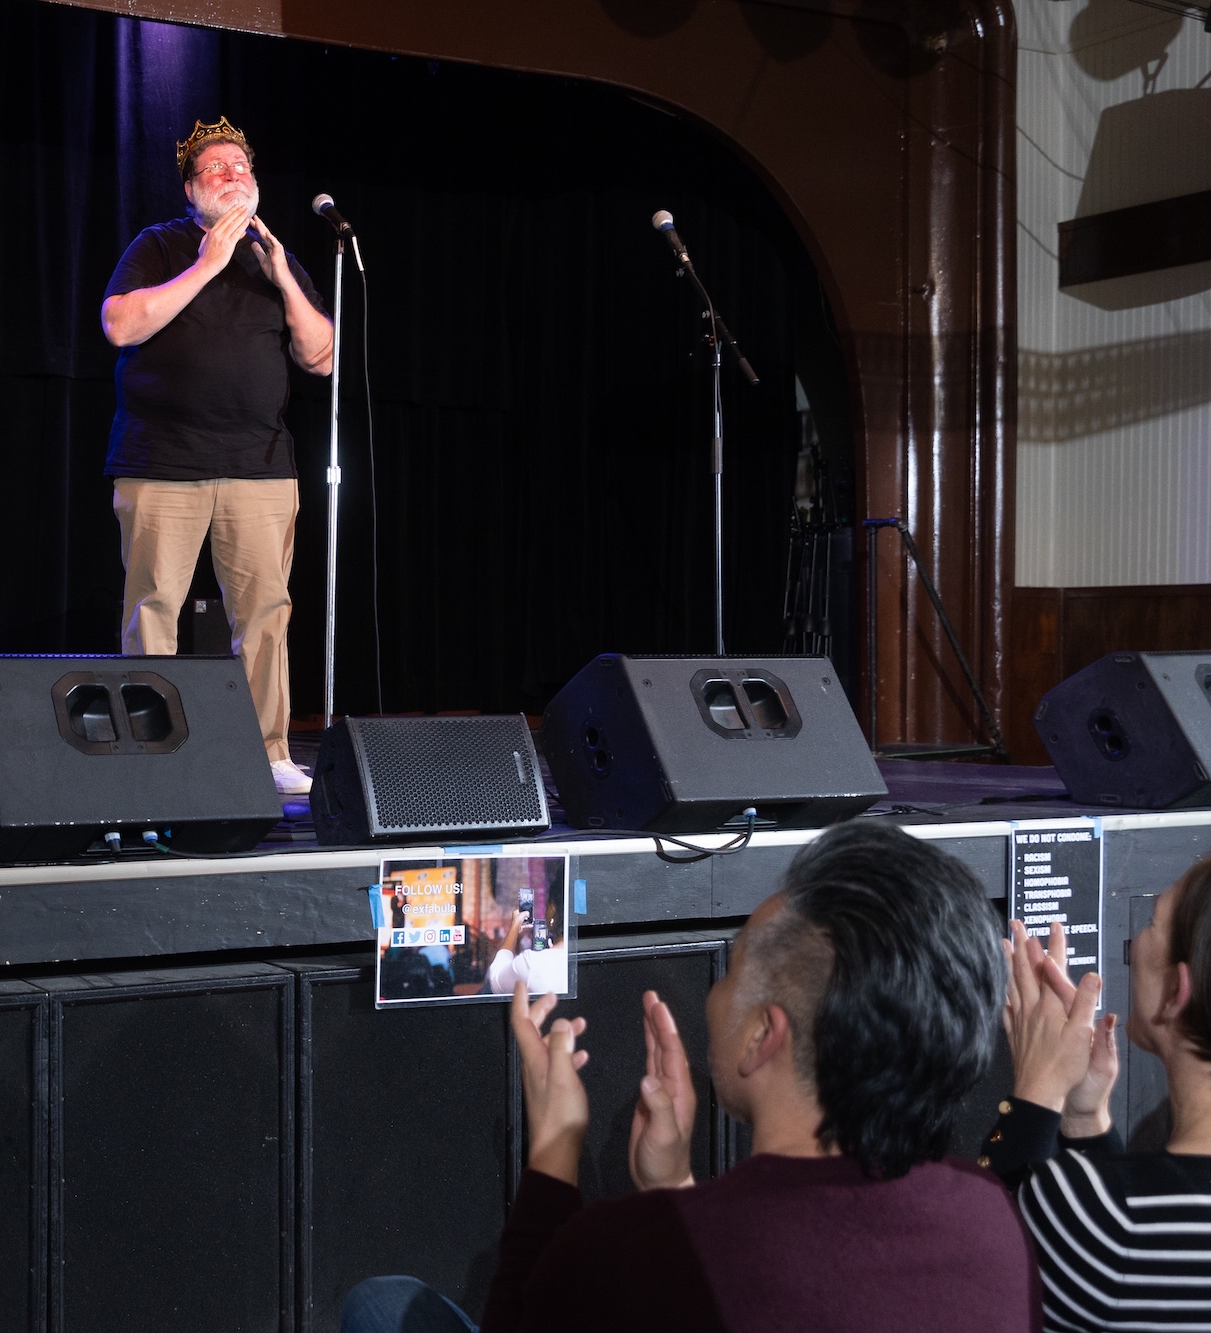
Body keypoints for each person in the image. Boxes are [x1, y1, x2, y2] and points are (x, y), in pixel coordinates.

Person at [342, 821, 1038, 1333]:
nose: (715, 996)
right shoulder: (988, 1213)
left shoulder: (632, 1249)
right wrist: (673, 1189)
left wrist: (555, 1145)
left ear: (764, 1034)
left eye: (732, 970)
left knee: (381, 1307)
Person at [100, 117, 333, 795]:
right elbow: (120, 325)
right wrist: (207, 264)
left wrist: (286, 279)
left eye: (241, 167)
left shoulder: (276, 259)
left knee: (265, 612)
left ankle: (269, 750)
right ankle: (148, 751)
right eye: (216, 169)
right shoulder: (160, 244)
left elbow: (321, 357)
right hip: (161, 460)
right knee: (154, 608)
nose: (232, 175)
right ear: (190, 189)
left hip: (259, 465)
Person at [985, 854, 1211, 1329]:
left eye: (1152, 923)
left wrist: (1037, 1090)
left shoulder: (1110, 1224)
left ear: (1176, 992)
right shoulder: (1107, 1215)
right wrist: (1084, 1119)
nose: (1138, 941)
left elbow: (975, 1275)